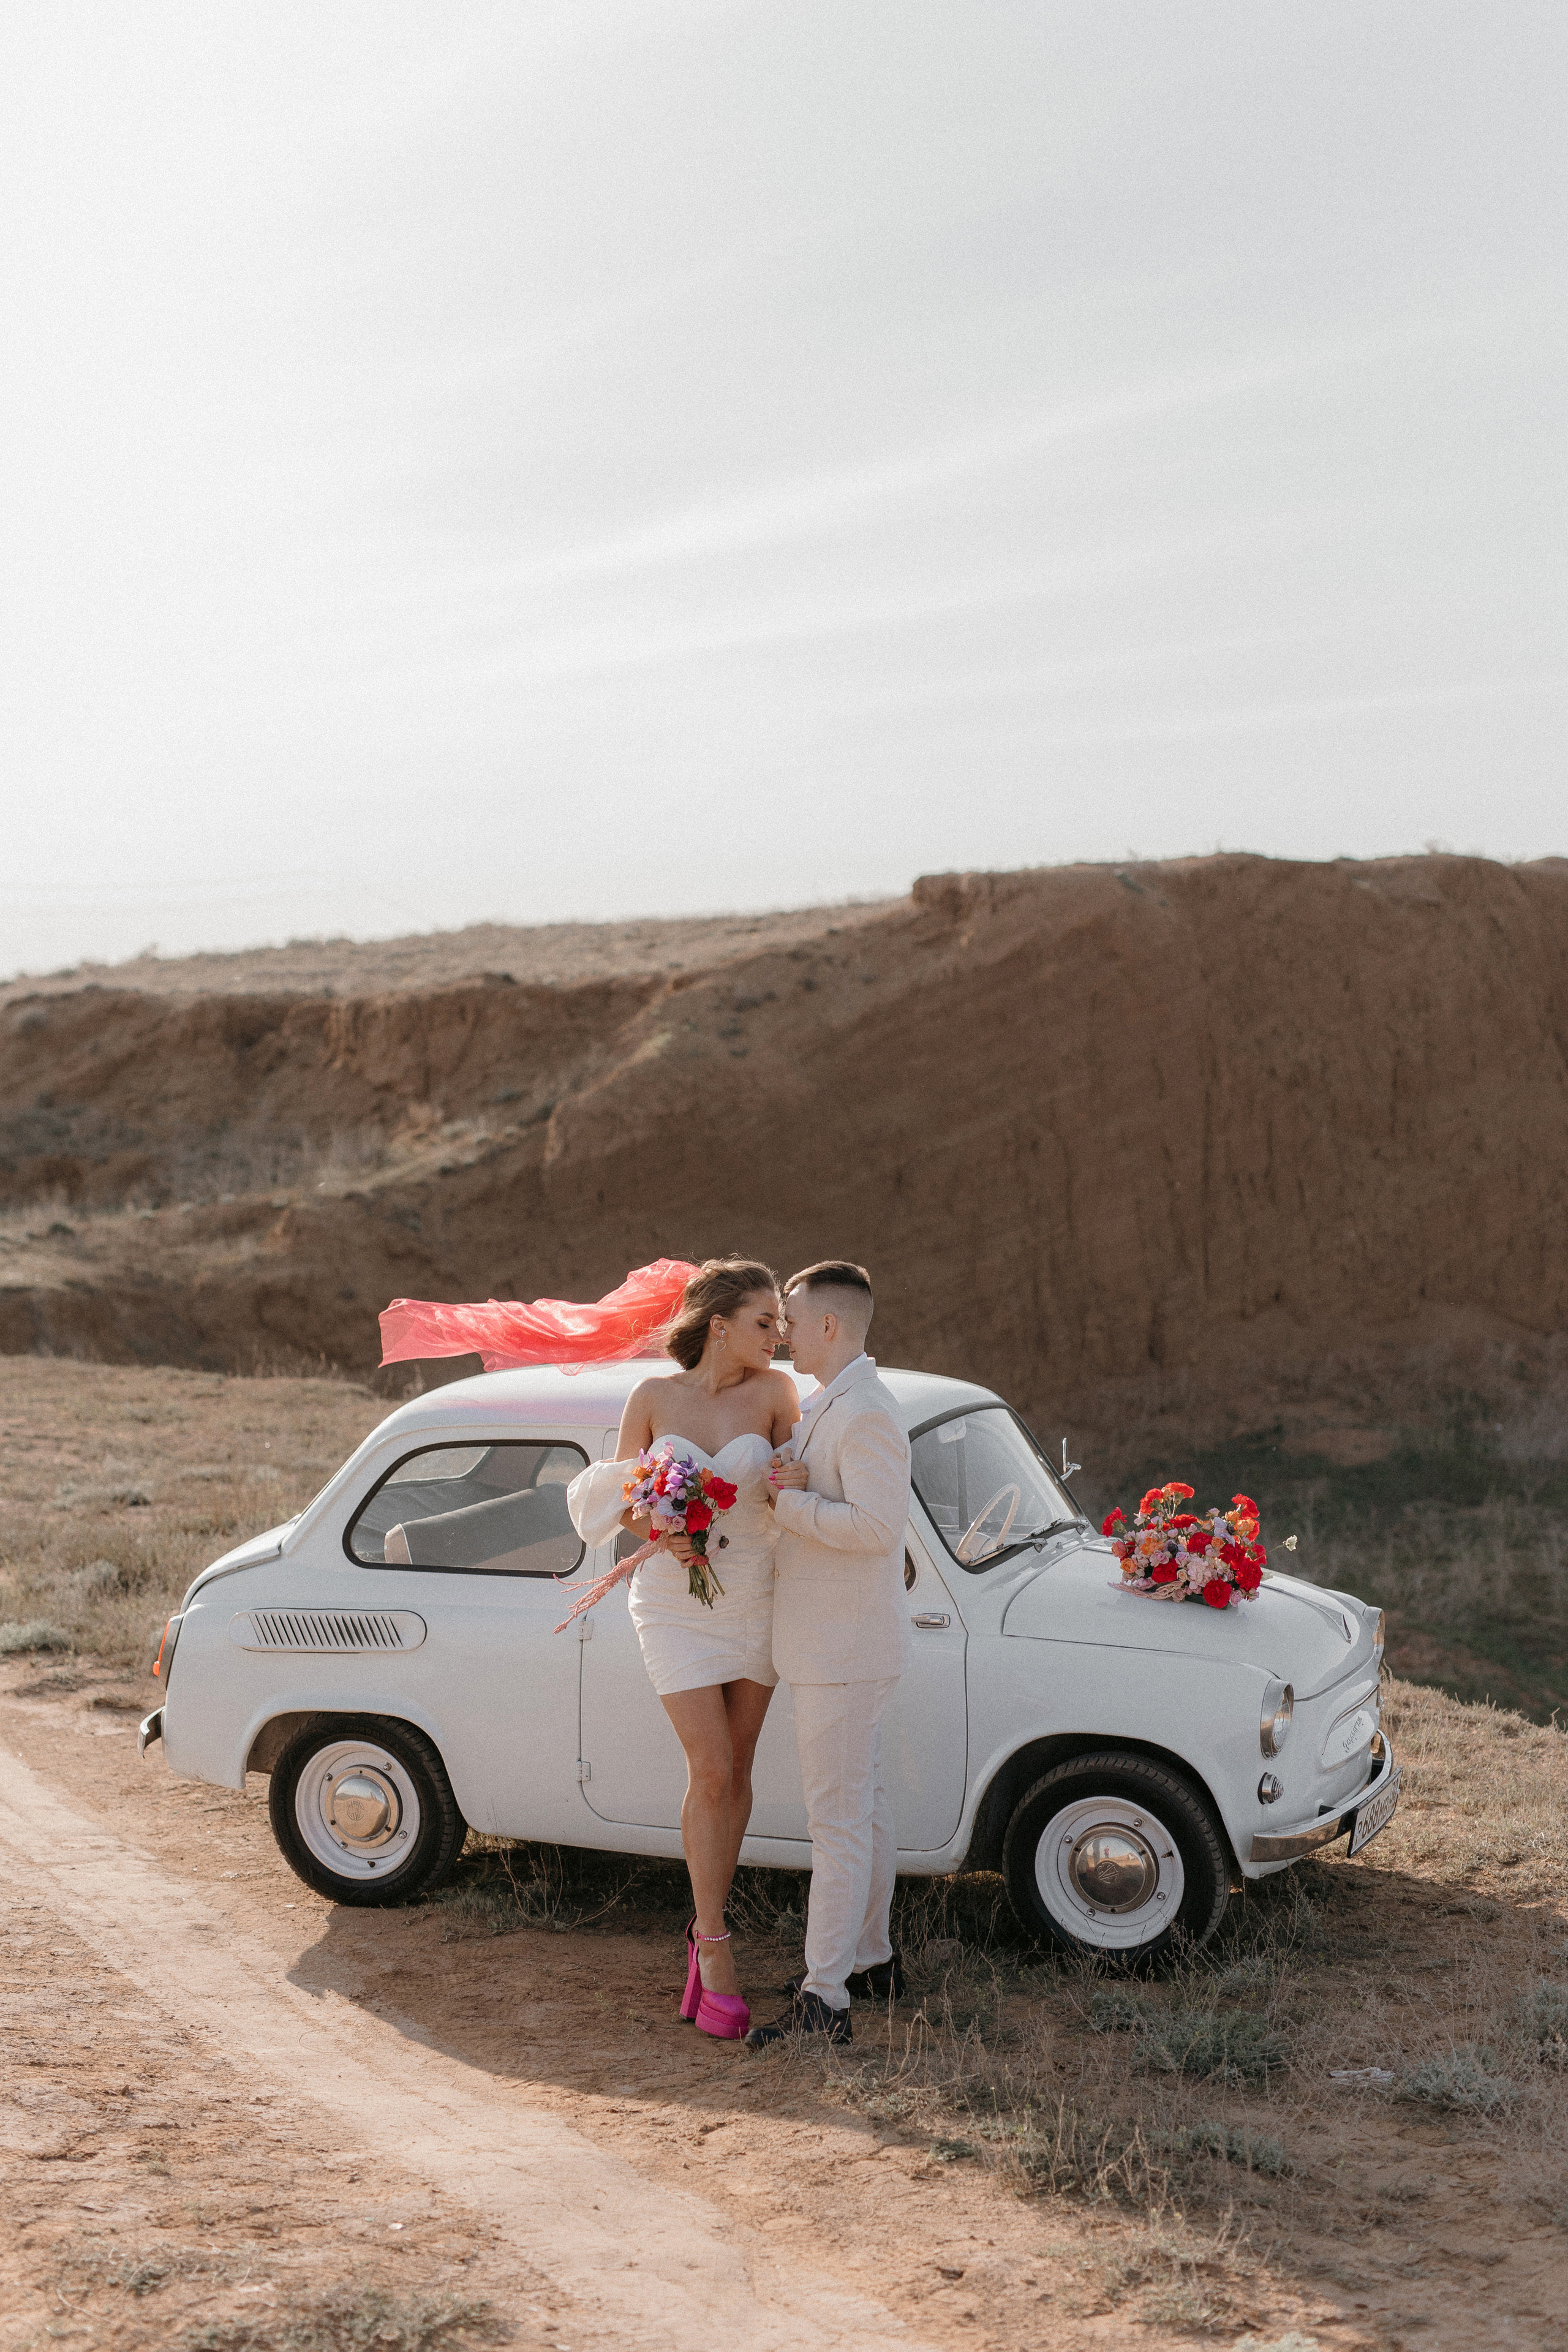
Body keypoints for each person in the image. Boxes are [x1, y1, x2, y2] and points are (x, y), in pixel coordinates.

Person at [564, 1258, 798, 2041]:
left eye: (783, 1323)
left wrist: (791, 1479)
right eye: (765, 1321)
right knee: (711, 1768)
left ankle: (705, 1932)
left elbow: (795, 1482)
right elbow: (621, 1498)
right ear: (720, 1324)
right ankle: (714, 1942)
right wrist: (666, 1531)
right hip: (673, 1603)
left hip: (757, 1595)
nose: (779, 1335)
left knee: (740, 1769)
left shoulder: (777, 1394)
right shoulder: (652, 1397)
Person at [744, 1259, 912, 2050]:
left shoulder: (866, 1411)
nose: (782, 1332)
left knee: (836, 1824)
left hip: (841, 1649)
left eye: (791, 1318)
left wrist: (793, 1502)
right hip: (843, 1643)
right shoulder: (836, 1403)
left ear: (830, 1327)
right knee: (863, 1810)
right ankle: (870, 1959)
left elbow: (879, 1531)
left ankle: (826, 2000)